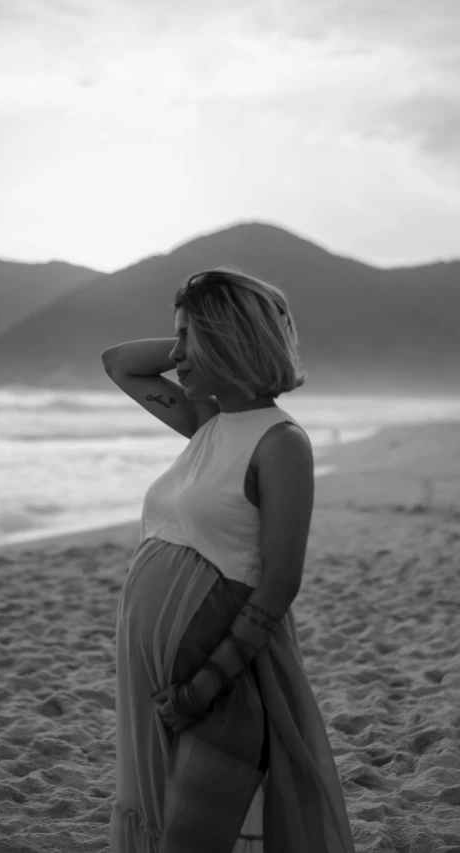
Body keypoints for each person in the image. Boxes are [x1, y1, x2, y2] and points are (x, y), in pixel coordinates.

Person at [105, 266, 356, 853]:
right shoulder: (208, 423)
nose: (177, 356)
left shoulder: (280, 442)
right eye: (179, 339)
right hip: (155, 666)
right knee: (161, 812)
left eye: (191, 339)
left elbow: (281, 579)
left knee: (194, 833)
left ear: (227, 341)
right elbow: (119, 362)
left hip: (221, 670)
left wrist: (208, 679)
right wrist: (194, 331)